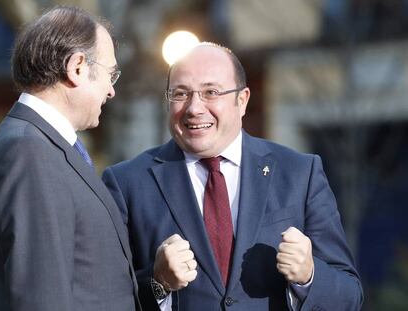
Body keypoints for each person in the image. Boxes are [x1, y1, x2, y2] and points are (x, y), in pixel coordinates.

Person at [103, 42, 363, 310]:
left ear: (242, 100)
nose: (194, 108)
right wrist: (157, 283)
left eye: (211, 92)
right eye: (180, 94)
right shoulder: (127, 184)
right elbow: (102, 298)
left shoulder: (299, 174)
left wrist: (309, 277)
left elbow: (350, 297)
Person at [0, 6, 141, 311]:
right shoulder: (29, 151)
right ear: (76, 67)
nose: (112, 91)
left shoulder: (44, 144)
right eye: (110, 74)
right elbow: (40, 294)